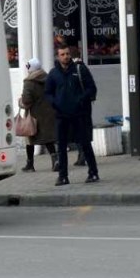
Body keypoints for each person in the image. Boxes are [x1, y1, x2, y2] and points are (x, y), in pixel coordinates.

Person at [45, 44, 99, 185]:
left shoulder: (80, 69)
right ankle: (63, 176)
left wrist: (80, 99)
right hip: (61, 116)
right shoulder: (53, 73)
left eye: (67, 54)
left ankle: (93, 173)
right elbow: (48, 93)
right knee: (61, 147)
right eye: (62, 54)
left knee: (85, 143)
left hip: (79, 114)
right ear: (58, 56)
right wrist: (54, 103)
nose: (65, 57)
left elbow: (91, 88)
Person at [18, 58, 57, 172]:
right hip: (49, 113)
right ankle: (56, 160)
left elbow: (26, 101)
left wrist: (20, 102)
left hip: (33, 115)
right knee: (48, 138)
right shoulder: (48, 78)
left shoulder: (29, 82)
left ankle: (30, 165)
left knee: (30, 138)